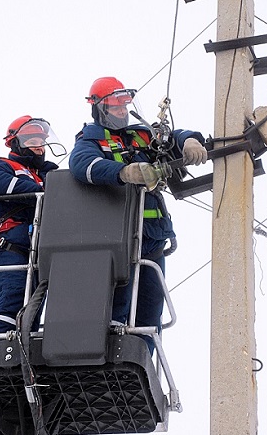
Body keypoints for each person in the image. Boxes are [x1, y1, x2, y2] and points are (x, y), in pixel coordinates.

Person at [69, 76, 207, 352]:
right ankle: (109, 363)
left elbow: (170, 138)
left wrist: (189, 140)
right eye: (114, 105)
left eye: (124, 104)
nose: (121, 110)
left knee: (150, 306)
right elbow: (82, 165)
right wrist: (123, 172)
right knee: (118, 305)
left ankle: (141, 360)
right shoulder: (91, 140)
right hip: (119, 236)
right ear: (98, 108)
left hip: (152, 237)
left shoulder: (141, 135)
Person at [0, 115, 65, 334]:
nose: (39, 147)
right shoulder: (0, 165)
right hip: (6, 248)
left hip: (37, 254)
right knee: (15, 296)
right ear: (16, 144)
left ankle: (22, 355)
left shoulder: (48, 175)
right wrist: (40, 190)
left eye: (41, 141)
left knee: (32, 309)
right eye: (32, 142)